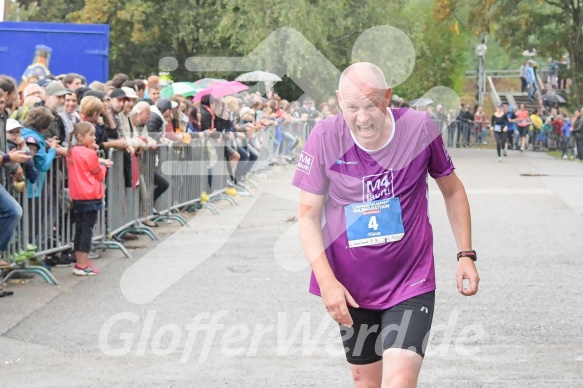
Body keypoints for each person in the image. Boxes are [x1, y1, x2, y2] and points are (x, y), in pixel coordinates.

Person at [292, 62, 479, 387]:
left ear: (388, 97)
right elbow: (307, 216)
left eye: (371, 105)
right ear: (339, 100)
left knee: (400, 381)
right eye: (352, 107)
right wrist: (327, 282)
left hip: (411, 281)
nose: (362, 118)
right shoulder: (325, 136)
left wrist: (466, 254)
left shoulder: (419, 128)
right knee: (366, 383)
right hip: (351, 287)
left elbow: (453, 190)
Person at [67, 122, 113, 276]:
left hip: (77, 195)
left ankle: (79, 262)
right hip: (91, 195)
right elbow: (99, 174)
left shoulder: (72, 151)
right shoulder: (90, 154)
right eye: (91, 135)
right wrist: (104, 165)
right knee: (87, 230)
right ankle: (83, 263)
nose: (94, 137)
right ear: (81, 136)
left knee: (79, 229)